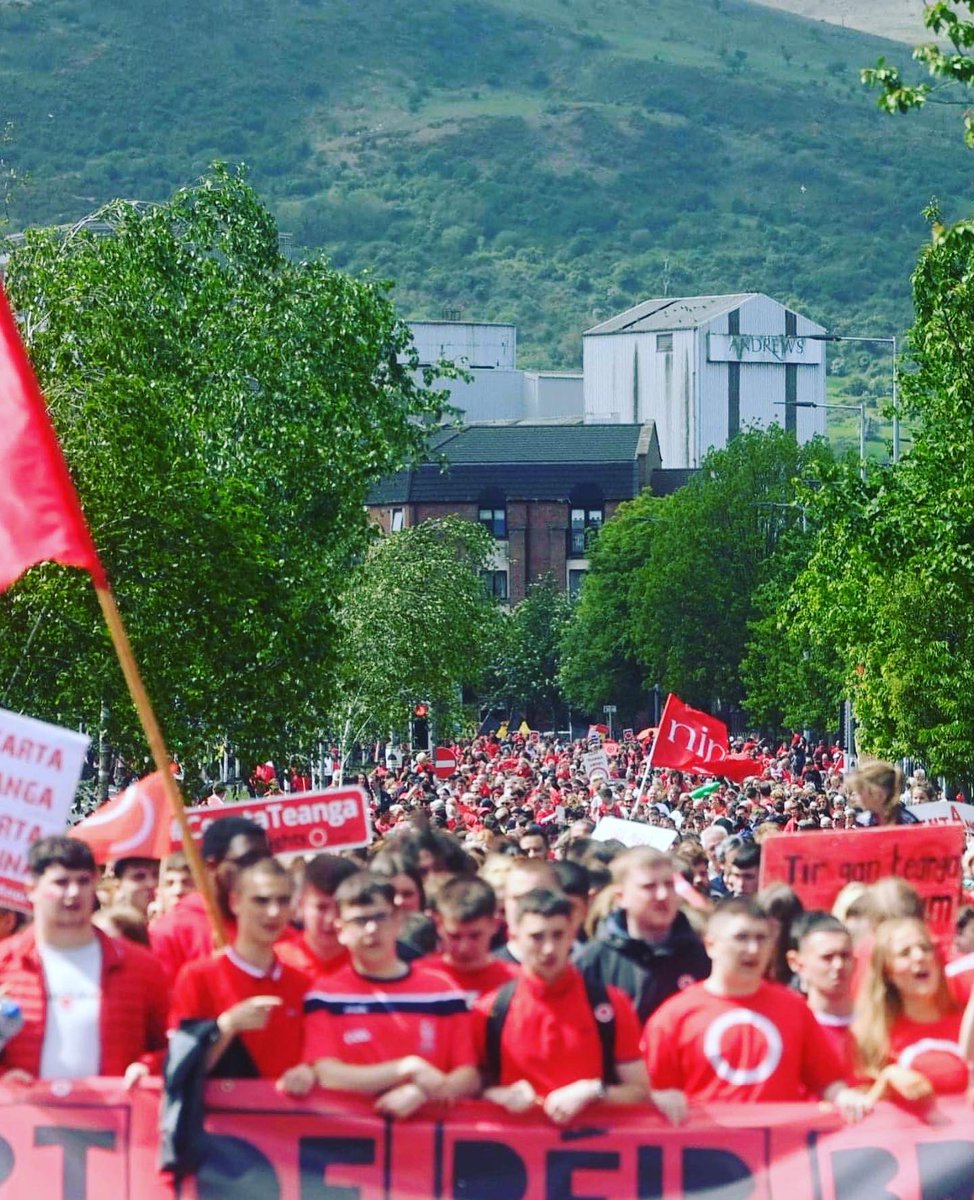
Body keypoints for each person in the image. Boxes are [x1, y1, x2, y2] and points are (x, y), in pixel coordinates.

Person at [643, 897, 869, 1117]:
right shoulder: (673, 1017)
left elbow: (828, 1082)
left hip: (783, 1150)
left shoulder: (794, 1008)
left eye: (761, 938)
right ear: (711, 945)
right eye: (741, 938)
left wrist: (844, 1097)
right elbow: (651, 1093)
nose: (753, 949)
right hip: (705, 1150)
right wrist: (662, 1099)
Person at [475, 888, 683, 1125]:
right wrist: (495, 1095)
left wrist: (593, 1091)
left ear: (572, 935)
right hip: (516, 1153)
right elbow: (469, 1088)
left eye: (558, 935)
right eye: (537, 936)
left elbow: (639, 1091)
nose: (549, 948)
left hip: (592, 1151)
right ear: (515, 936)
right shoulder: (491, 1009)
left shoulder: (611, 1004)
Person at [302, 873, 479, 1118]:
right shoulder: (325, 995)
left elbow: (468, 1075)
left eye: (380, 917)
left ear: (397, 921)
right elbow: (327, 1074)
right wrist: (405, 1069)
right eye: (360, 921)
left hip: (429, 1141)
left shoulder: (442, 992)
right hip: (352, 1141)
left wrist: (421, 1093)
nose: (372, 929)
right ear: (340, 930)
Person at [0, 836, 169, 1084]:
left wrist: (148, 1067)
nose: (73, 892)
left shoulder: (141, 967)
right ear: (32, 889)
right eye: (61, 882)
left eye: (83, 881)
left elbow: (173, 1046)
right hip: (21, 1117)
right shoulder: (5, 964)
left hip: (115, 1117)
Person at [167, 857, 312, 1090]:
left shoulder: (303, 984)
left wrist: (310, 1072)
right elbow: (178, 1068)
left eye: (283, 901)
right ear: (235, 902)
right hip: (217, 1123)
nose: (273, 912)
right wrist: (226, 1027)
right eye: (261, 901)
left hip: (288, 1121)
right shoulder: (198, 977)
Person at [575, 847, 710, 1023]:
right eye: (649, 887)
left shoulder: (703, 955)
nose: (663, 895)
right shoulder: (592, 961)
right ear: (621, 896)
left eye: (669, 885)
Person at [853, 916, 972, 1101]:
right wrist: (887, 1080)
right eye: (904, 953)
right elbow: (853, 1114)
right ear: (887, 972)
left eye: (925, 948)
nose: (919, 957)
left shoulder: (967, 1024)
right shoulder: (868, 1039)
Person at [150, 817, 270, 983]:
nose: (261, 870)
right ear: (212, 866)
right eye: (247, 861)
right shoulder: (171, 930)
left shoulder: (273, 920)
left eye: (266, 860)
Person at [787, 912, 856, 1076]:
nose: (838, 965)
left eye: (845, 956)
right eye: (827, 958)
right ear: (796, 963)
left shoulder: (878, 1024)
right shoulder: (789, 1028)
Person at [425, 876, 516, 1000]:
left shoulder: (517, 982)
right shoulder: (421, 977)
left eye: (475, 936)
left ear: (495, 924)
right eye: (454, 936)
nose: (464, 948)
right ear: (438, 924)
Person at [276, 853, 359, 980]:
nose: (330, 919)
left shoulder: (370, 964)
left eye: (340, 908)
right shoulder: (276, 963)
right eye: (321, 908)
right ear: (301, 905)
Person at [845, 760, 918, 827]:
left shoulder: (908, 822)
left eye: (860, 791)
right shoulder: (863, 822)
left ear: (879, 793)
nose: (857, 797)